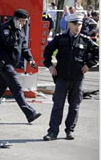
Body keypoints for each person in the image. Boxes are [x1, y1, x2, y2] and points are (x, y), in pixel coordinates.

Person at [42, 13, 99, 141]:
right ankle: (52, 132)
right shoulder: (60, 39)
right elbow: (47, 52)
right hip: (61, 77)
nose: (77, 26)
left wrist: (89, 64)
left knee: (74, 106)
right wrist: (50, 66)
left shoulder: (85, 40)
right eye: (75, 24)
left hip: (77, 78)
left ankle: (70, 130)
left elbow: (97, 52)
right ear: (68, 24)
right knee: (58, 105)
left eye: (79, 24)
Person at [0, 9, 41, 123]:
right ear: (16, 20)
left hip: (11, 64)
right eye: (22, 21)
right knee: (17, 88)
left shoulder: (20, 30)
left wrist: (30, 60)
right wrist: (17, 31)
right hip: (5, 63)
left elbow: (24, 47)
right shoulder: (6, 28)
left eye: (25, 21)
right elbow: (10, 43)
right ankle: (30, 113)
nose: (24, 24)